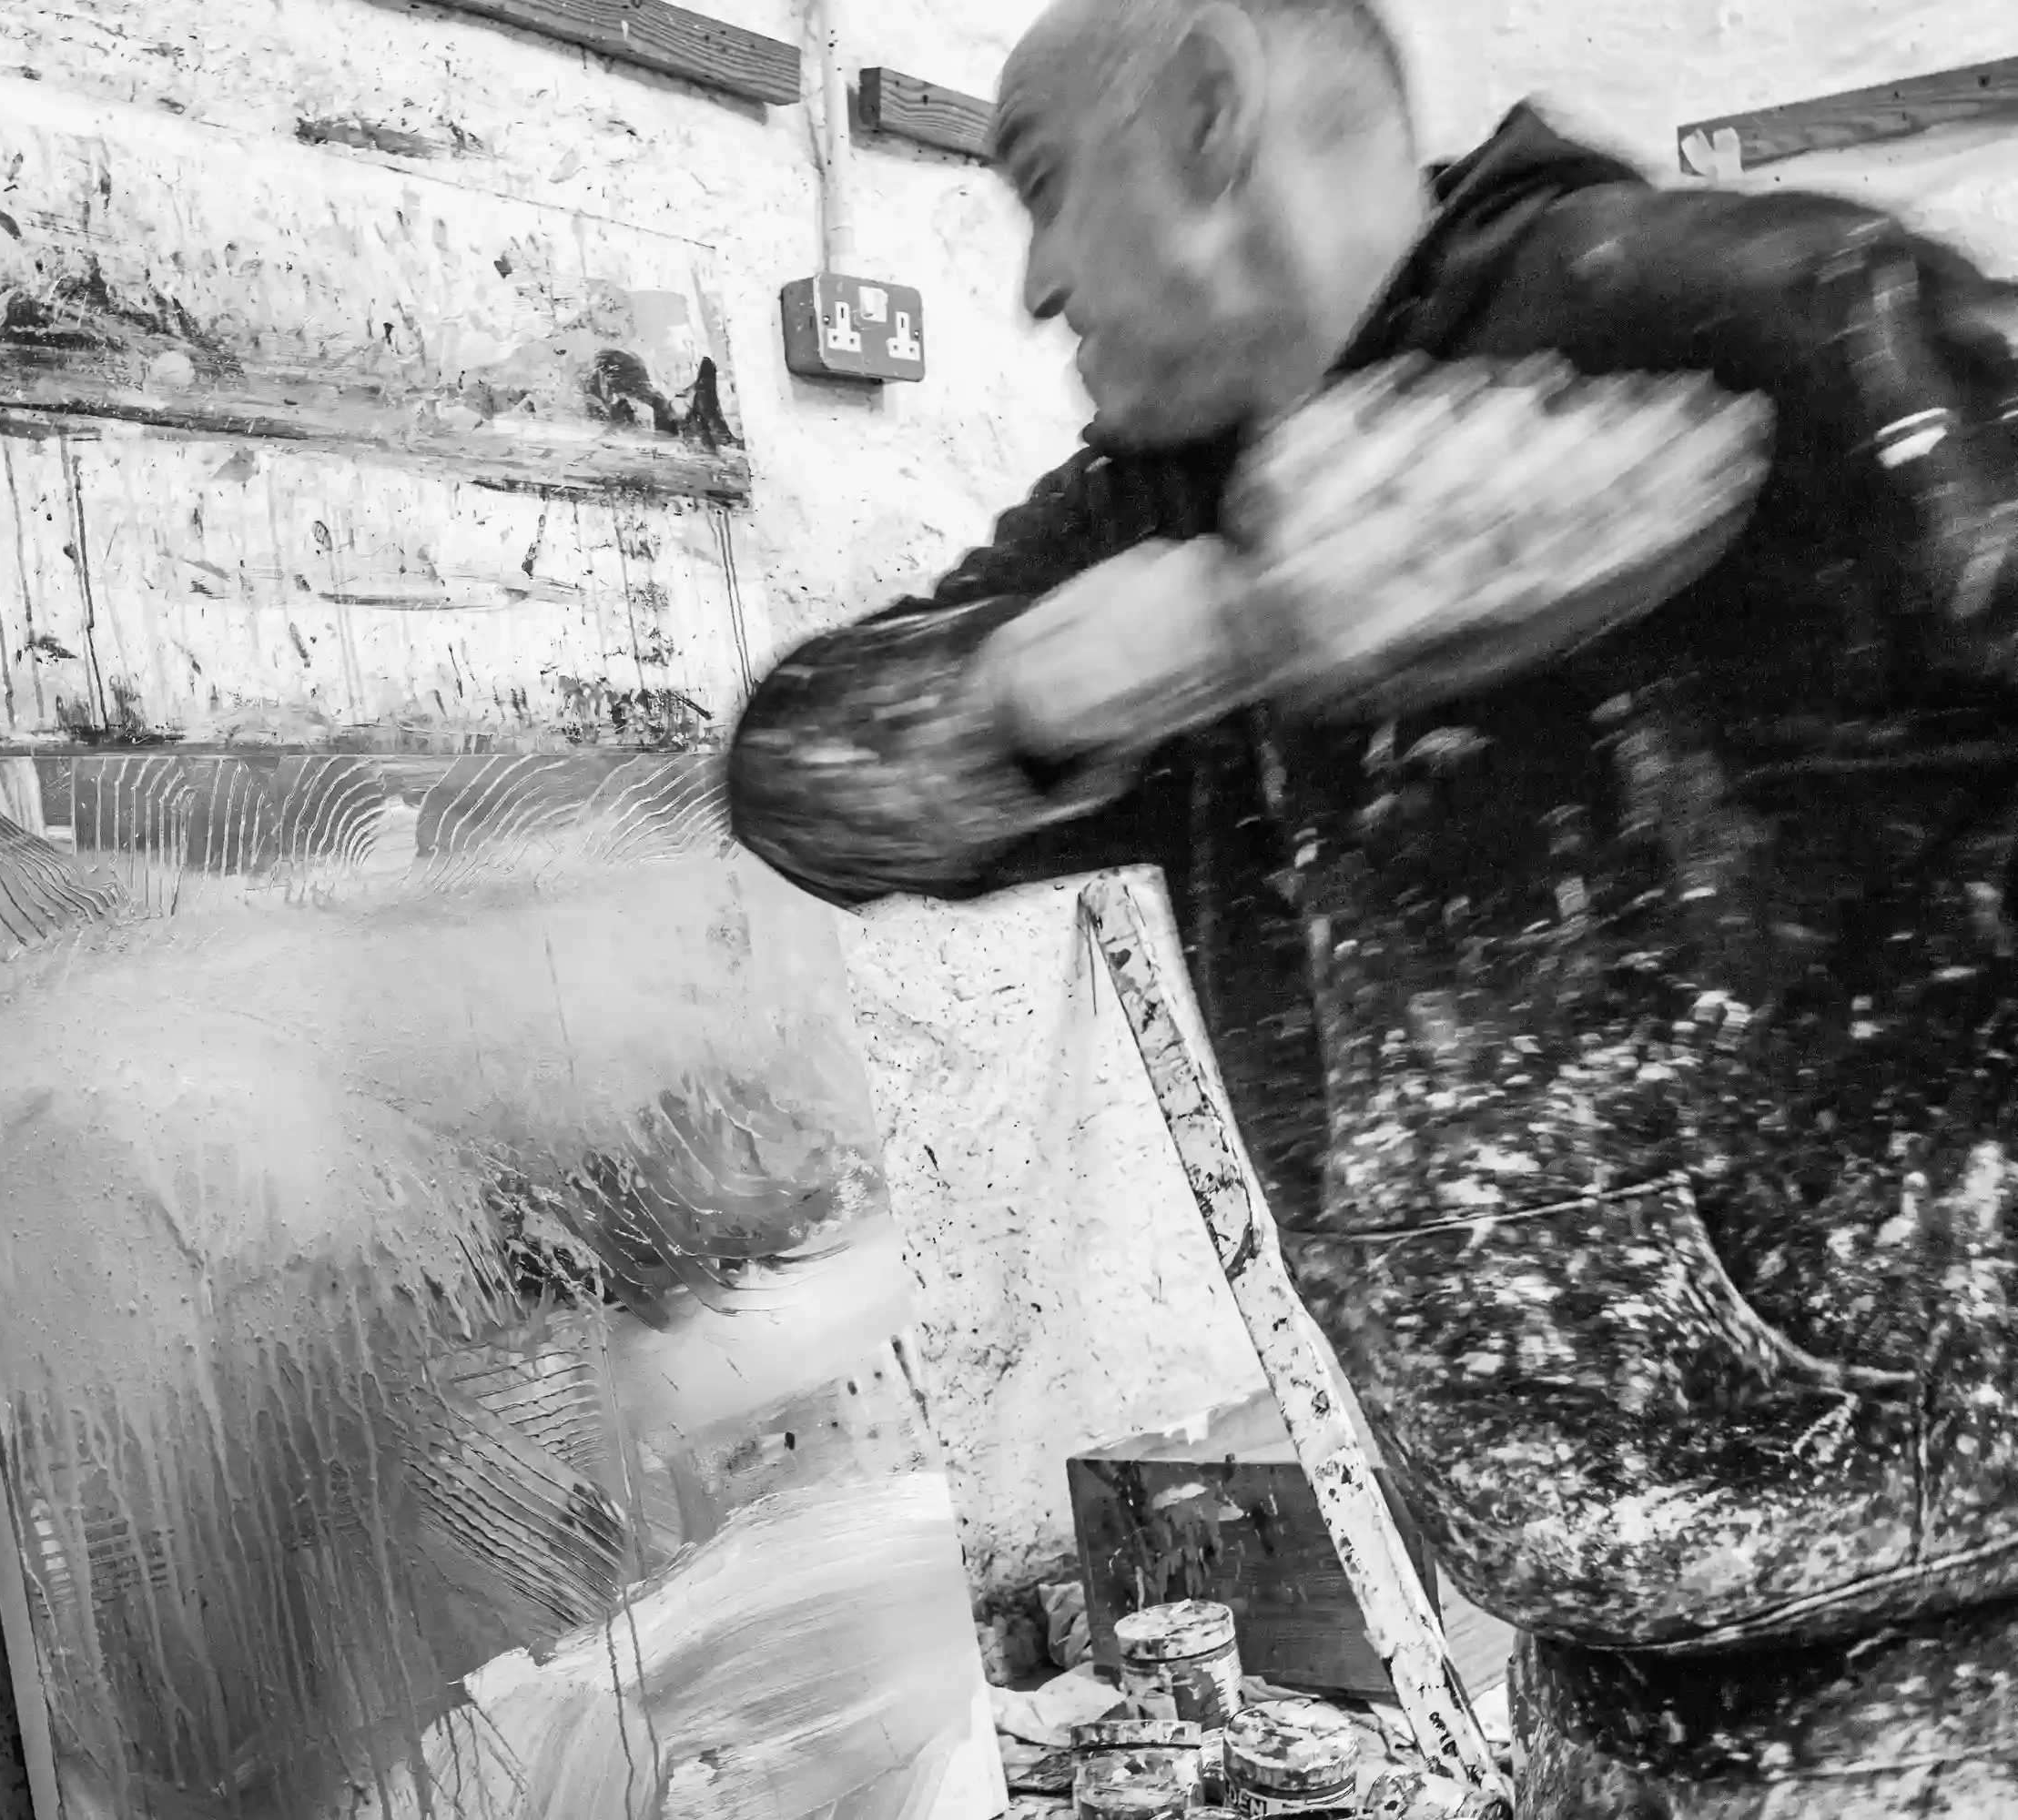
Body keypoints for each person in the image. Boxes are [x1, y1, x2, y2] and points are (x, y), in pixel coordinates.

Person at [725, 1, 2018, 1815]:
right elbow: (793, 778)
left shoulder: (1748, 319)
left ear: (1203, 107)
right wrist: (1143, 654)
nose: (1027, 285)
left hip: (1964, 1657)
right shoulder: (1148, 514)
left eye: (1040, 188)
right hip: (1596, 1671)